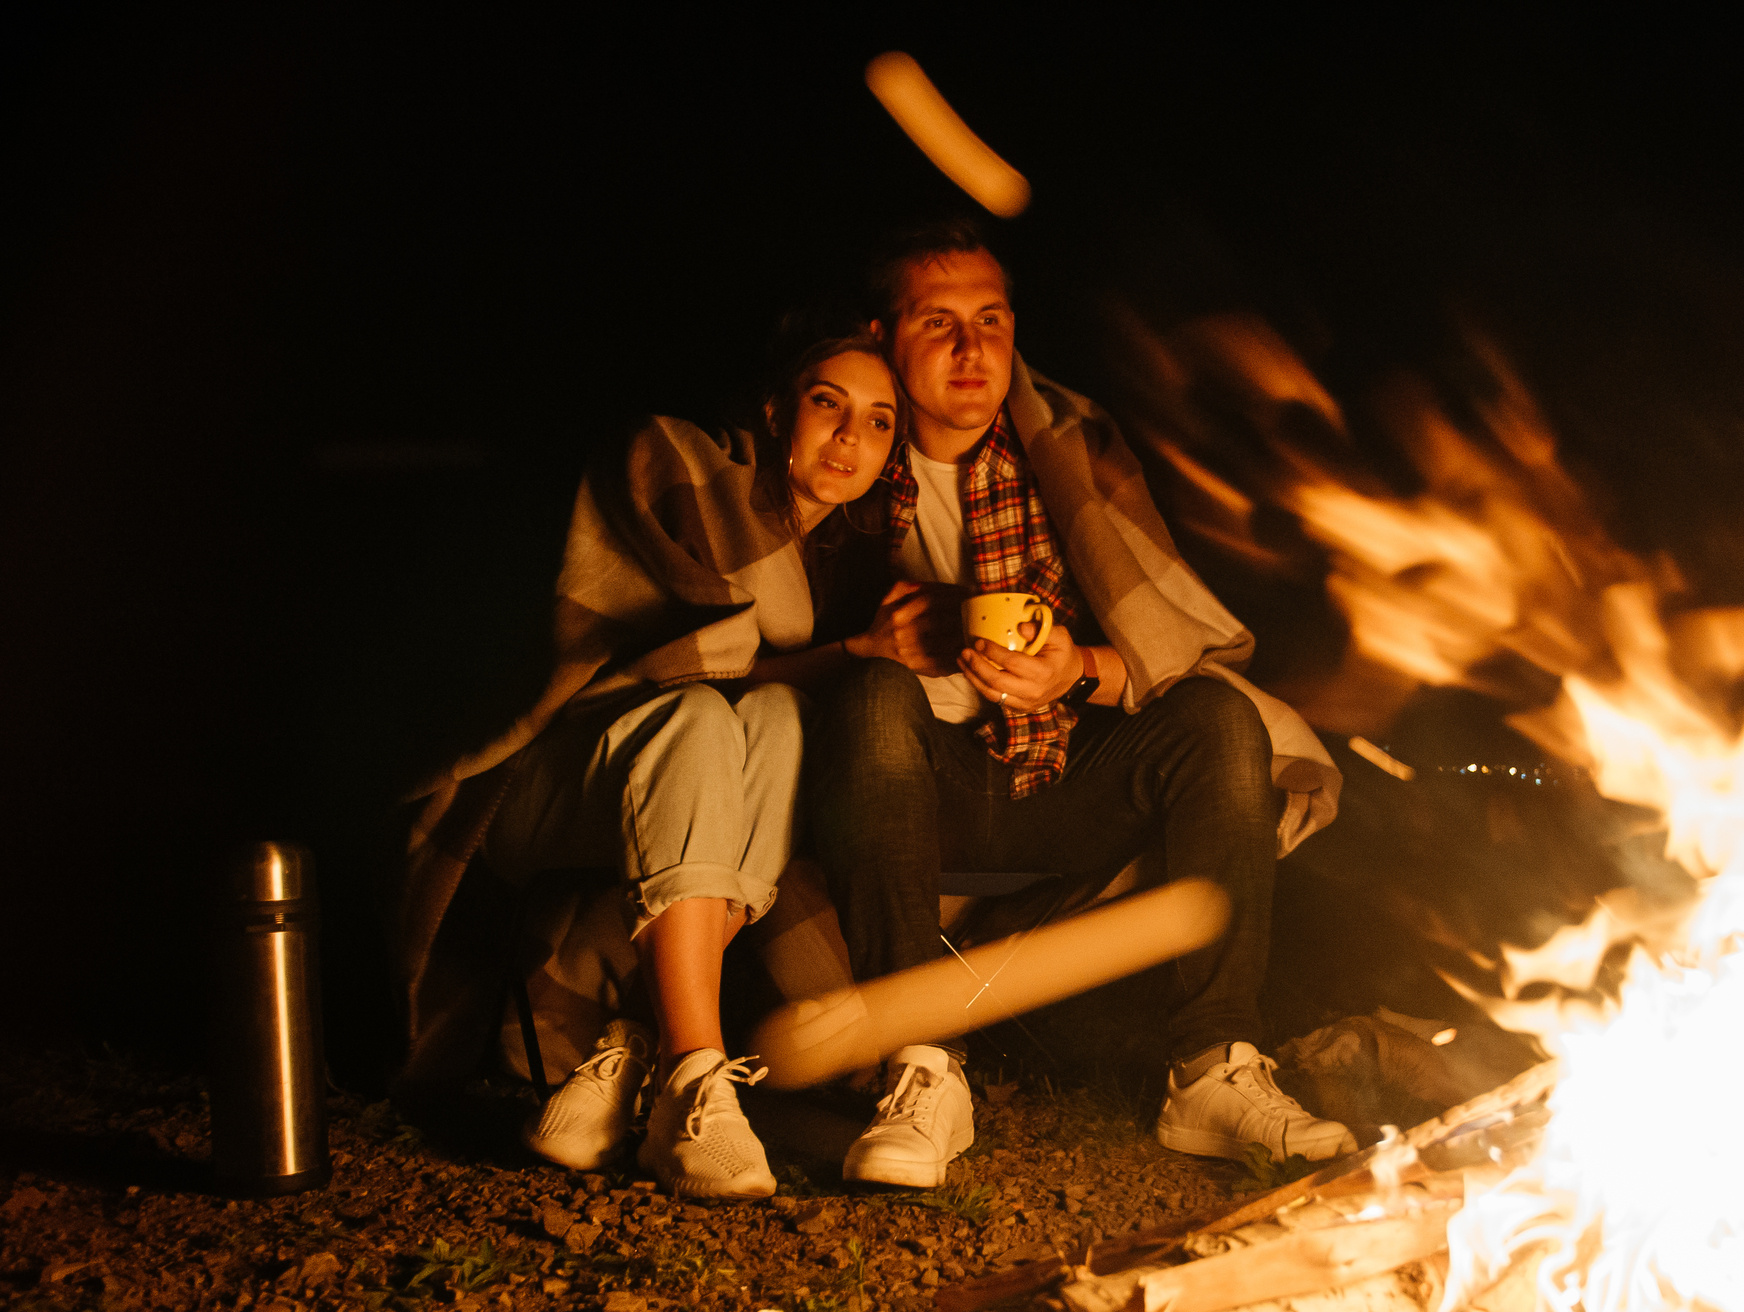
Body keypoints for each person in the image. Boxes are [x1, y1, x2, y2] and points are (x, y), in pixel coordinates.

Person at [810, 219, 1354, 1190]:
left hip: (1061, 781)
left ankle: (1211, 1071)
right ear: (882, 336)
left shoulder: (1068, 448)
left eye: (990, 319)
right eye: (937, 323)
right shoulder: (840, 453)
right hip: (903, 800)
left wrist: (1078, 671)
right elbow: (754, 639)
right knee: (875, 694)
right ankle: (922, 1066)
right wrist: (866, 644)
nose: (972, 350)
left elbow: (1174, 644)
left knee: (1215, 723)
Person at [398, 334, 921, 1198]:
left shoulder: (831, 569)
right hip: (537, 782)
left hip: (666, 798)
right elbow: (668, 663)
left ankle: (634, 1044)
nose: (849, 436)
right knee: (699, 722)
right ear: (773, 408)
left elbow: (753, 676)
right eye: (828, 401)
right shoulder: (686, 471)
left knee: (781, 715)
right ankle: (695, 1087)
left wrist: (854, 648)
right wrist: (856, 652)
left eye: (878, 420)